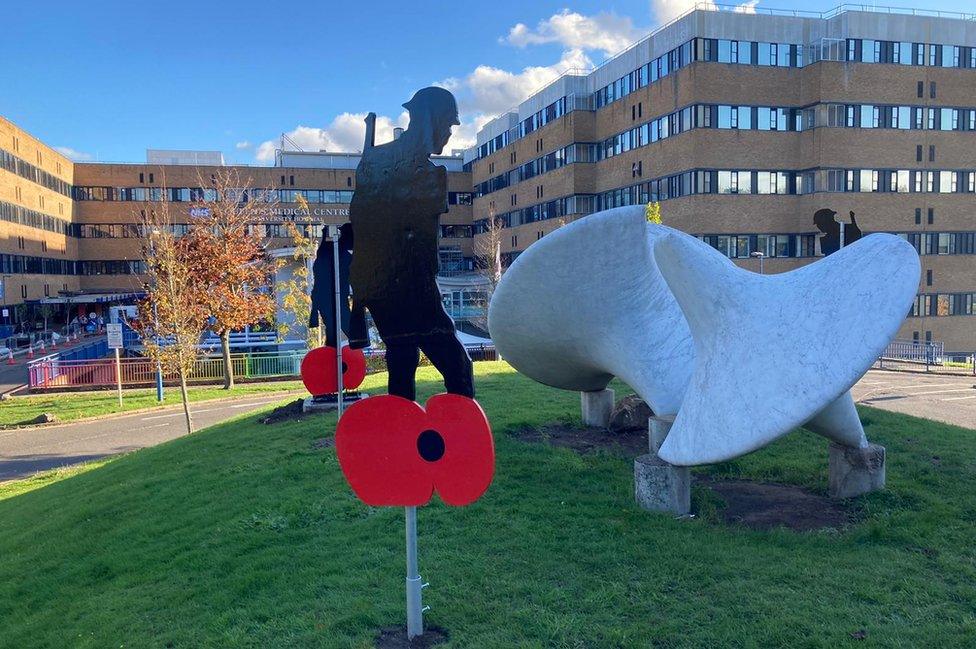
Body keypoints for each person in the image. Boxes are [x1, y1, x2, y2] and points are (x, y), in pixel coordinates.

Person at [347, 87, 474, 401]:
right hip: (411, 284)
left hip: (379, 286)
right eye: (447, 125)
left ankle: (400, 439)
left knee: (401, 360)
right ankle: (460, 438)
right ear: (432, 121)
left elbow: (361, 222)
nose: (448, 134)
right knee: (457, 365)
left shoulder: (376, 160)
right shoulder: (426, 174)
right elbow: (415, 239)